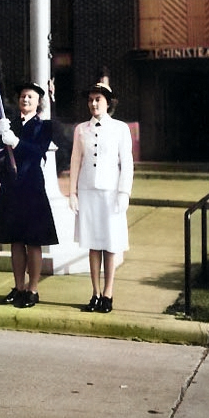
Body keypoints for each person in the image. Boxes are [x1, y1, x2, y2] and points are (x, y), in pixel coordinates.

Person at [69, 78, 134, 313]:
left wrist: (124, 193)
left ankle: (108, 293)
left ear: (108, 103)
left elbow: (126, 163)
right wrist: (72, 192)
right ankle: (95, 293)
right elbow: (76, 161)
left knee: (110, 243)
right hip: (88, 192)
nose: (94, 104)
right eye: (90, 100)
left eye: (98, 100)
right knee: (93, 245)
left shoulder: (120, 129)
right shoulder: (81, 130)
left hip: (111, 194)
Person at [0, 81, 58, 308]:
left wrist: (16, 142)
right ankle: (18, 287)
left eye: (30, 96)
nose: (25, 99)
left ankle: (33, 289)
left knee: (33, 240)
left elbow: (37, 151)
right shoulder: (9, 124)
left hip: (31, 188)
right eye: (22, 96)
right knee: (15, 240)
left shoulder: (44, 126)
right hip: (12, 187)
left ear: (38, 101)